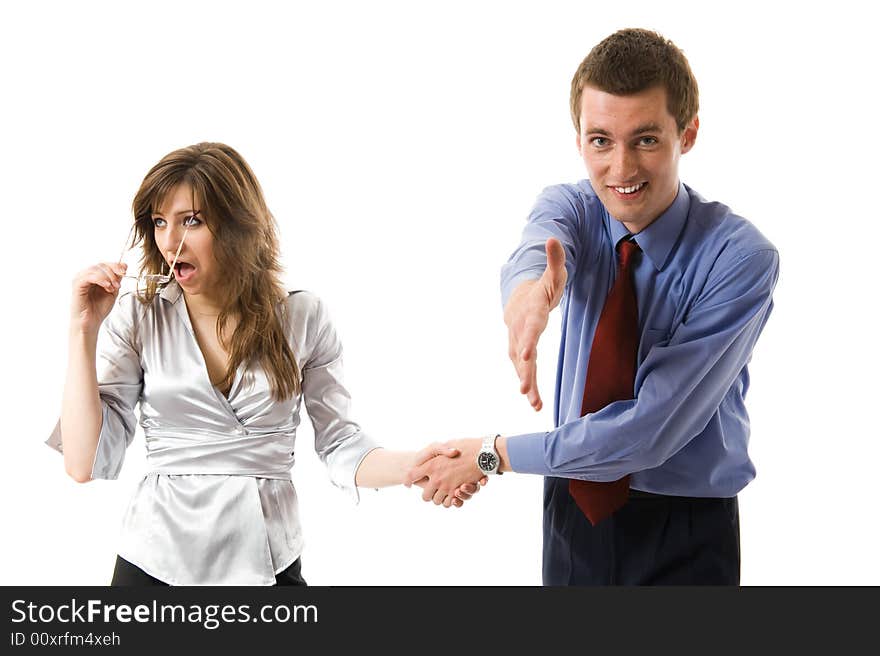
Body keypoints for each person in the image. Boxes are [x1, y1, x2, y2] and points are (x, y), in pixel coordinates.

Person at [407, 28, 779, 585]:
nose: (622, 168)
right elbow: (536, 250)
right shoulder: (574, 206)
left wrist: (492, 454)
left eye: (646, 139)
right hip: (572, 510)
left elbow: (648, 431)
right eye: (601, 140)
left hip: (684, 530)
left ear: (689, 133)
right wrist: (527, 297)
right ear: (579, 139)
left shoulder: (739, 258)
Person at [47, 142, 483, 586]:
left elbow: (340, 444)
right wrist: (82, 329)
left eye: (191, 221)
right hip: (152, 566)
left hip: (265, 566)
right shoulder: (140, 316)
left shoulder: (303, 316)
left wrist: (418, 466)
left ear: (237, 225)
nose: (170, 241)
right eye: (160, 222)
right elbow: (82, 463)